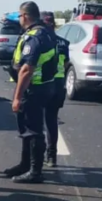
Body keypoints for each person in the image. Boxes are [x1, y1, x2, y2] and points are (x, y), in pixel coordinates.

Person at [4, 2, 58, 184]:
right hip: (45, 86)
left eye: (19, 16)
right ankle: (25, 165)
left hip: (34, 88)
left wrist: (17, 97)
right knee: (27, 130)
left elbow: (27, 68)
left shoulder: (34, 36)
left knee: (33, 131)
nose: (19, 19)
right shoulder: (46, 31)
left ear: (26, 16)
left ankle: (35, 171)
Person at [40, 11, 68, 168]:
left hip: (43, 83)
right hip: (58, 84)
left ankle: (37, 157)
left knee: (37, 121)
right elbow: (64, 64)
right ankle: (52, 157)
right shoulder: (64, 43)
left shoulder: (40, 40)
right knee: (51, 120)